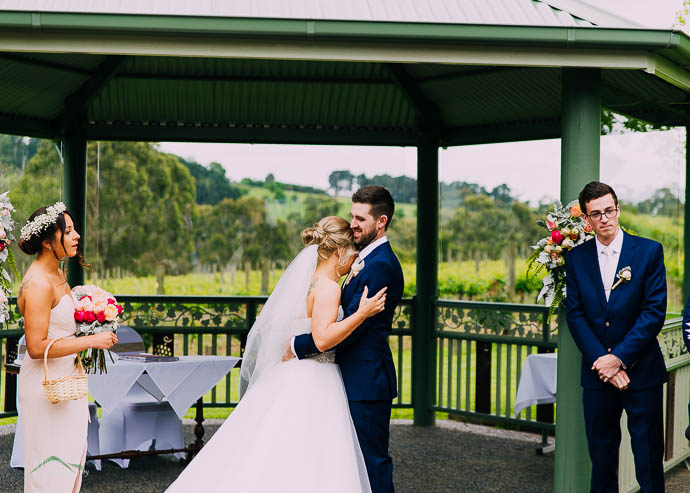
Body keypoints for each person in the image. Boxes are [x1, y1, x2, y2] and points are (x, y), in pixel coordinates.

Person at [165, 216, 387, 493]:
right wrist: (362, 314)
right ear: (340, 251)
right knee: (314, 453)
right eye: (353, 254)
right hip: (316, 377)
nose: (353, 262)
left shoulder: (307, 283)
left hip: (289, 372)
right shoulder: (329, 288)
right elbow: (321, 338)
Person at [291, 185, 404, 493]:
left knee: (371, 462)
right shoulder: (363, 260)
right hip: (350, 375)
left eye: (360, 218)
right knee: (346, 461)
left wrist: (294, 346)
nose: (352, 223)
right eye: (352, 215)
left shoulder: (380, 265)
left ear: (381, 222)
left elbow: (350, 329)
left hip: (366, 380)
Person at [565, 181, 667, 493]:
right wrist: (602, 362)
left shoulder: (648, 252)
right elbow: (575, 313)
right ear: (587, 220)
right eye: (596, 214)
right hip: (598, 377)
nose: (605, 219)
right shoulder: (576, 258)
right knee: (602, 458)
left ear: (618, 210)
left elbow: (653, 312)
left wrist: (618, 359)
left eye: (609, 210)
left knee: (648, 460)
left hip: (642, 373)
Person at [17, 202, 117, 493]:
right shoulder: (37, 283)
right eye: (69, 231)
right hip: (45, 387)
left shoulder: (58, 275)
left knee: (69, 466)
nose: (77, 237)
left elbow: (59, 326)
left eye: (75, 230)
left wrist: (93, 312)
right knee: (49, 473)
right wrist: (91, 341)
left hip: (68, 384)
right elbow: (36, 346)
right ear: (48, 241)